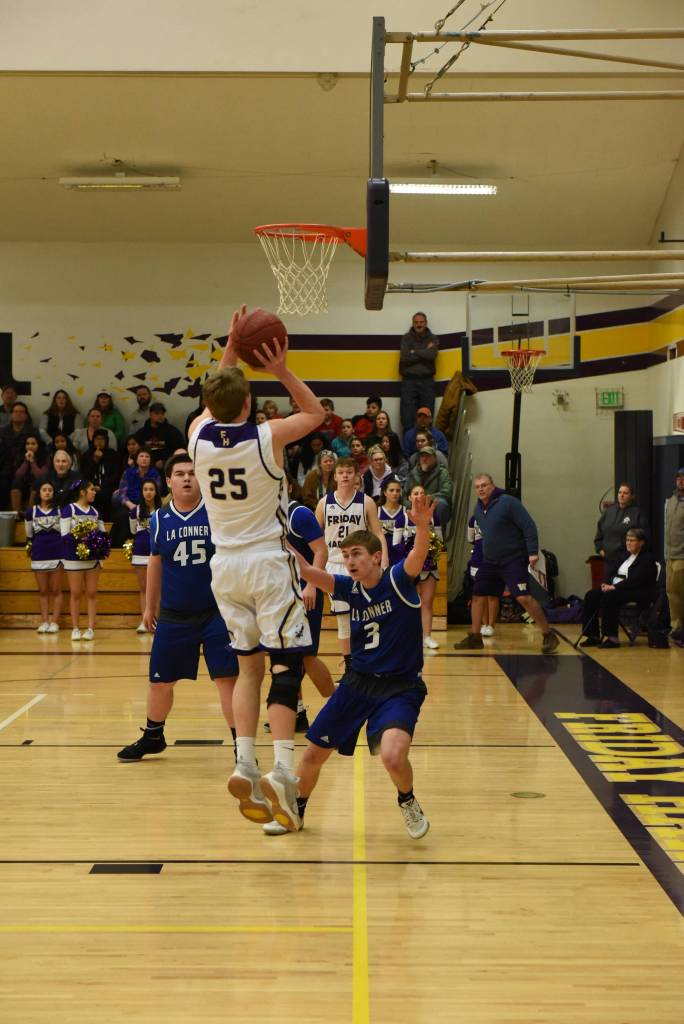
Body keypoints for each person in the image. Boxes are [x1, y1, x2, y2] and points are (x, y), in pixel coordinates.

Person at [188, 304, 325, 831]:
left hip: (224, 568)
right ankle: (283, 771)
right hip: (269, 562)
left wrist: (231, 347)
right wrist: (281, 369)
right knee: (287, 667)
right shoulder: (266, 437)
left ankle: (244, 759)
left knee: (248, 667)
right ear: (249, 403)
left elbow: (214, 396)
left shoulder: (198, 438)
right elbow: (314, 415)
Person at [280, 492, 435, 840]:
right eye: (346, 555)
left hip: (400, 688)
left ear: (376, 557)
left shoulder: (397, 580)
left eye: (356, 554)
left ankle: (407, 800)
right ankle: (296, 810)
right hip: (357, 684)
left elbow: (417, 555)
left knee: (393, 757)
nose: (349, 560)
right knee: (311, 755)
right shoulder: (348, 588)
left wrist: (422, 526)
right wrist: (277, 541)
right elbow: (305, 569)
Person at [117, 454, 238, 762]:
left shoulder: (217, 513)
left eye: (192, 473)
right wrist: (149, 606)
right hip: (174, 614)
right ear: (168, 481)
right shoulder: (158, 519)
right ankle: (153, 736)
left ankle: (243, 747)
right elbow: (155, 562)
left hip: (216, 613)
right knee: (160, 681)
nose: (187, 478)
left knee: (227, 680)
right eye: (180, 474)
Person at [454, 474, 559, 653]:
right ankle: (475, 637)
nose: (481, 489)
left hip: (513, 559)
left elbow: (529, 526)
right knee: (478, 595)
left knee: (523, 597)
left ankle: (548, 634)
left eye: (484, 485)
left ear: (492, 486)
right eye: (477, 486)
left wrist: (533, 552)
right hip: (490, 561)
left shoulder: (508, 503)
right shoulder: (478, 509)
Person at [316, 456, 388, 666]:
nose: (345, 475)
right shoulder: (324, 503)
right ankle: (350, 666)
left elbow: (378, 534)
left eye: (349, 472)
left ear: (357, 475)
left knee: (367, 614)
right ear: (335, 476)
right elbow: (313, 537)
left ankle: (370, 659)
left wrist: (383, 559)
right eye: (341, 472)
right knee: (344, 618)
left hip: (363, 564)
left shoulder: (366, 502)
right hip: (335, 564)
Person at [579, 529, 658, 648]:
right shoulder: (624, 555)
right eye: (627, 540)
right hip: (617, 588)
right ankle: (593, 636)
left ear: (641, 543)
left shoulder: (647, 558)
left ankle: (612, 638)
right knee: (591, 595)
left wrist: (614, 587)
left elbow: (636, 580)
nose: (628, 543)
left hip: (636, 591)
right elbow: (610, 571)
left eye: (632, 540)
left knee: (610, 597)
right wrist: (605, 583)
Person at [60, 480, 107, 641]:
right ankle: (75, 628)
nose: (94, 492)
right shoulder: (69, 510)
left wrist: (97, 544)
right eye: (92, 489)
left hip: (92, 559)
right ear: (82, 492)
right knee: (76, 593)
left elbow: (103, 534)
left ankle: (90, 628)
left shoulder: (95, 511)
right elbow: (64, 535)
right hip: (74, 557)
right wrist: (82, 538)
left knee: (92, 593)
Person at [400, 483, 443, 649]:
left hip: (429, 565)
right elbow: (397, 545)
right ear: (410, 497)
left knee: (427, 602)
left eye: (422, 493)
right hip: (408, 566)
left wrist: (431, 545)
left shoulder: (434, 516)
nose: (419, 496)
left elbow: (440, 541)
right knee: (407, 603)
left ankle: (427, 636)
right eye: (415, 493)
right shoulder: (403, 516)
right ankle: (407, 637)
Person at [25, 480, 63, 633]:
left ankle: (55, 622)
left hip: (57, 554)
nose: (47, 492)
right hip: (39, 554)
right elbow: (29, 534)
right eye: (44, 490)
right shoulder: (31, 512)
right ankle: (45, 621)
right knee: (42, 591)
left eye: (50, 490)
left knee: (56, 590)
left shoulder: (60, 510)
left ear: (53, 493)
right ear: (39, 493)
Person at [594, 483, 648, 582]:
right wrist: (600, 550)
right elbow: (599, 533)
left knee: (621, 591)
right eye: (620, 492)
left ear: (632, 496)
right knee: (606, 590)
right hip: (608, 560)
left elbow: (642, 537)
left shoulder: (637, 513)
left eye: (625, 493)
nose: (621, 495)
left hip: (627, 560)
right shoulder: (609, 511)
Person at [129, 478, 162, 633]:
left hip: (158, 554)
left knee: (159, 589)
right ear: (142, 492)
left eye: (151, 489)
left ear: (156, 492)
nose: (148, 492)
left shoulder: (163, 511)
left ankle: (159, 621)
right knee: (144, 589)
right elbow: (133, 531)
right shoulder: (134, 511)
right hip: (140, 552)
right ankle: (145, 620)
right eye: (145, 489)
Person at [399, 312, 440, 433]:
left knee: (426, 416)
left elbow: (432, 355)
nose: (419, 324)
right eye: (416, 322)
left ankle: (426, 449)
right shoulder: (406, 338)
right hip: (409, 381)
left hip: (427, 381)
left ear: (426, 323)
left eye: (421, 322)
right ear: (413, 323)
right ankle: (408, 450)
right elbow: (405, 358)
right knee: (407, 417)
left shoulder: (433, 338)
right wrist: (424, 351)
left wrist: (414, 351)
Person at [403, 445, 452, 529]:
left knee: (442, 503)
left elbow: (446, 492)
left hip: (433, 506)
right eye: (422, 456)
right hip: (414, 506)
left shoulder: (442, 472)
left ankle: (437, 533)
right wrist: (412, 504)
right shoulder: (413, 473)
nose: (424, 459)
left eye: (428, 456)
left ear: (435, 458)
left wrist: (426, 499)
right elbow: (404, 493)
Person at [467, 513, 498, 637]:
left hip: (494, 559)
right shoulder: (473, 519)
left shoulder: (498, 516)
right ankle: (484, 624)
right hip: (477, 559)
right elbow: (470, 539)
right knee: (481, 594)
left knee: (492, 594)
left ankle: (491, 625)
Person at [78, 428, 119, 519]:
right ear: (93, 440)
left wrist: (101, 486)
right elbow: (84, 474)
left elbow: (115, 475)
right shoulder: (86, 455)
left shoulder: (113, 455)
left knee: (105, 495)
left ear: (106, 440)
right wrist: (95, 460)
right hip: (90, 486)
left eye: (102, 439)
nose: (99, 442)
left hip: (108, 487)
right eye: (97, 439)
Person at [0, 401, 34, 508]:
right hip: (4, 467)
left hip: (25, 468)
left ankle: (20, 516)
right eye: (15, 411)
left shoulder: (33, 432)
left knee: (17, 482)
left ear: (26, 415)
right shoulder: (2, 431)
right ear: (11, 415)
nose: (18, 414)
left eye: (21, 412)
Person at [664, 466, 684, 645]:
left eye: (683, 478)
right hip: (669, 554)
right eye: (678, 477)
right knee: (672, 593)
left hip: (682, 556)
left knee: (681, 593)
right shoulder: (671, 500)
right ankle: (676, 627)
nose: (680, 481)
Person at [134, 403, 185, 471]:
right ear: (150, 414)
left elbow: (180, 451)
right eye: (157, 413)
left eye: (162, 413)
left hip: (167, 468)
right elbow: (136, 450)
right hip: (146, 468)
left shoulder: (173, 432)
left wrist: (165, 462)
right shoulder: (142, 433)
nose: (160, 416)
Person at [9, 431, 50, 511]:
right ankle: (16, 512)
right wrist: (26, 461)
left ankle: (30, 513)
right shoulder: (20, 454)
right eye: (27, 444)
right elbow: (18, 475)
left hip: (37, 486)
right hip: (24, 485)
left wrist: (32, 461)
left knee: (38, 482)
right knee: (16, 482)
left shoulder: (45, 456)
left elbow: (41, 476)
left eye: (33, 444)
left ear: (38, 445)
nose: (30, 446)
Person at [378, 477, 407, 565]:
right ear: (385, 493)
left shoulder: (406, 511)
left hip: (400, 554)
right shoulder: (377, 510)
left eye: (398, 491)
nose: (395, 493)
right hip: (382, 553)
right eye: (391, 490)